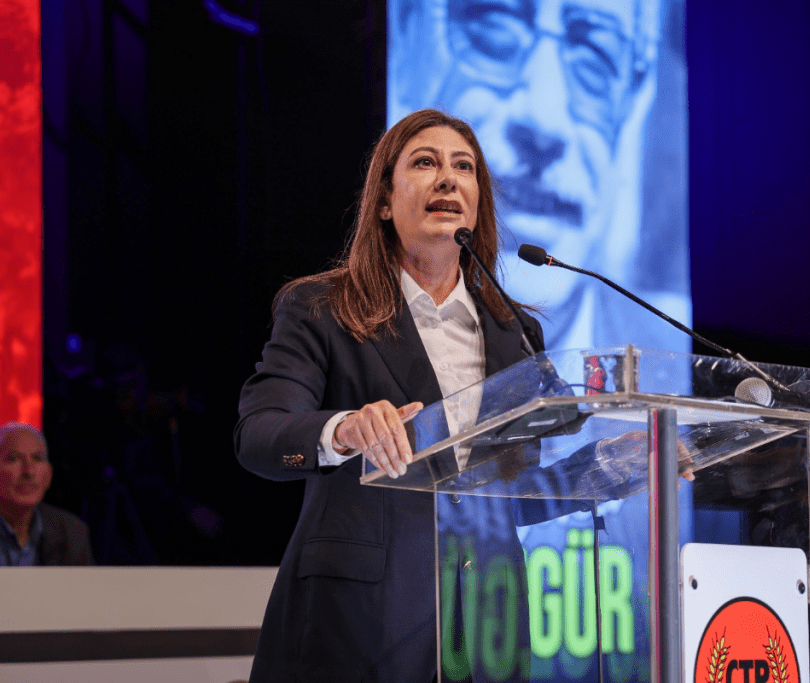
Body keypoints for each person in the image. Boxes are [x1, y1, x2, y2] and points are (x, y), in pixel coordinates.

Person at [236, 109, 554, 683]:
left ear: (478, 203)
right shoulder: (323, 309)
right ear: (384, 201)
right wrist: (343, 430)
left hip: (486, 629)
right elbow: (259, 434)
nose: (448, 178)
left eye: (464, 167)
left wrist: (622, 459)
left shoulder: (517, 332)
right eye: (425, 163)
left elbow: (523, 487)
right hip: (358, 627)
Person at [388, 0, 690, 352]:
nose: (544, 121)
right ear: (407, 36)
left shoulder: (670, 359)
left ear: (635, 106)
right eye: (495, 28)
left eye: (595, 59)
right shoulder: (342, 337)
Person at [0, 421, 94, 566]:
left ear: (48, 475)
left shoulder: (72, 532)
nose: (28, 471)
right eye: (14, 458)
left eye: (37, 458)